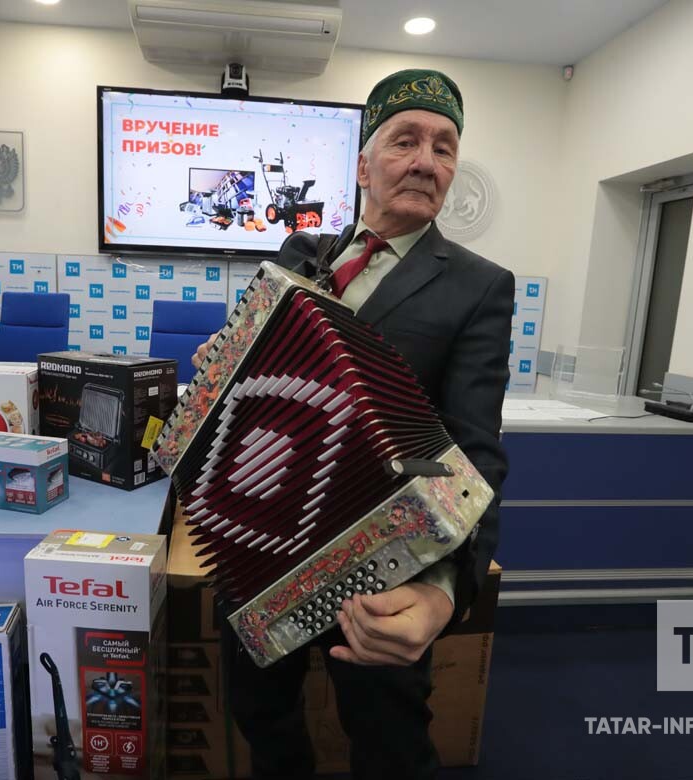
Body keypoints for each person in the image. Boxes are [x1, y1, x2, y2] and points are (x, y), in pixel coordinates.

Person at [193, 68, 514, 779]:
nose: (426, 161)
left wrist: (442, 591)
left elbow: (477, 453)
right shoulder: (299, 255)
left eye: (444, 147)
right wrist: (219, 366)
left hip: (383, 560)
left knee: (390, 742)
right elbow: (245, 394)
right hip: (260, 538)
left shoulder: (478, 285)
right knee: (261, 716)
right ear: (364, 166)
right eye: (406, 141)